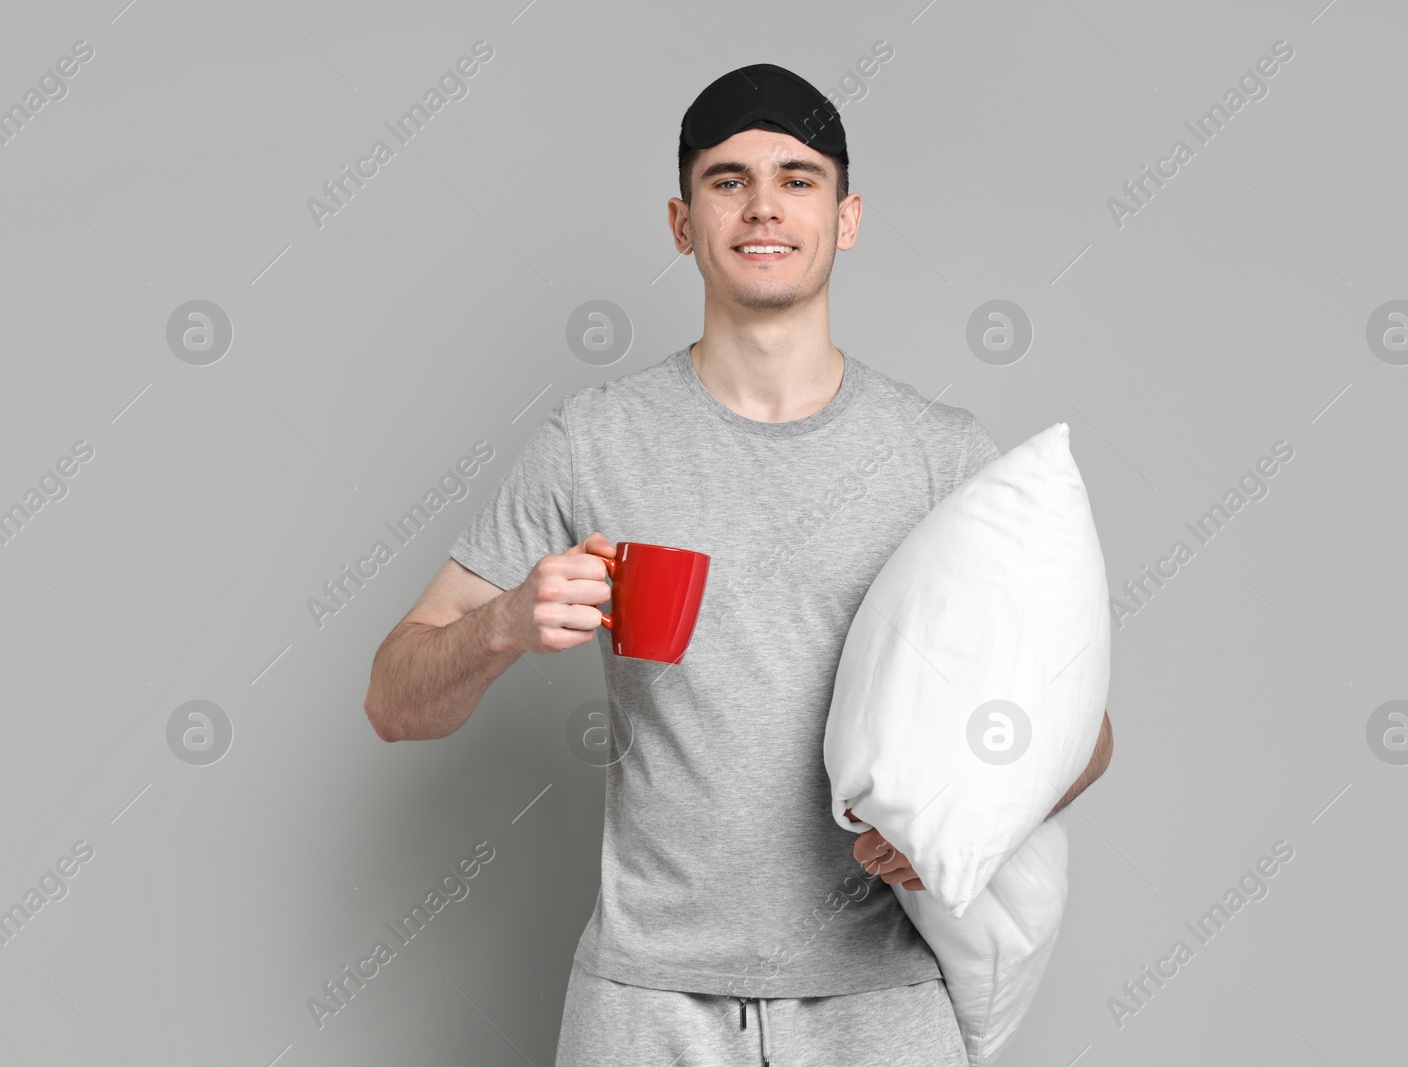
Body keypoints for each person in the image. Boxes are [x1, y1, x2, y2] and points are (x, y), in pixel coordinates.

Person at [363, 62, 1113, 1066]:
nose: (763, 204)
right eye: (728, 180)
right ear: (682, 221)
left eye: (798, 178)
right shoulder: (593, 443)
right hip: (646, 1005)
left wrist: (961, 808)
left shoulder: (943, 457)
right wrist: (501, 624)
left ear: (846, 217)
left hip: (881, 1006)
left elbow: (1082, 731)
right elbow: (393, 699)